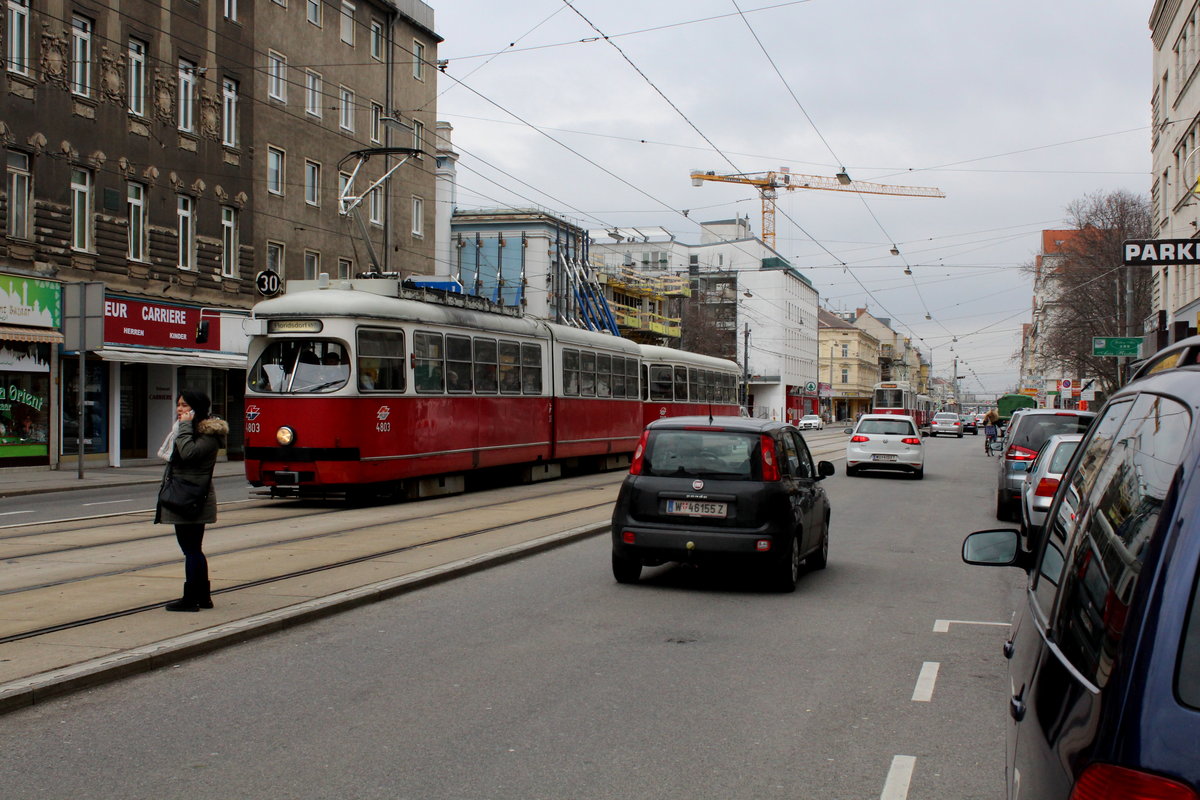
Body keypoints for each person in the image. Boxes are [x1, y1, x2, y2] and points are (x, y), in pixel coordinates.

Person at [155, 391, 229, 612]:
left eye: (185, 405)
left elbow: (188, 454)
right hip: (188, 496)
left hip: (191, 498)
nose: (180, 409)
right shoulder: (191, 430)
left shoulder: (207, 434)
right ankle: (202, 597)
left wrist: (185, 427)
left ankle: (191, 599)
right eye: (178, 405)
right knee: (193, 548)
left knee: (191, 550)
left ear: (196, 408)